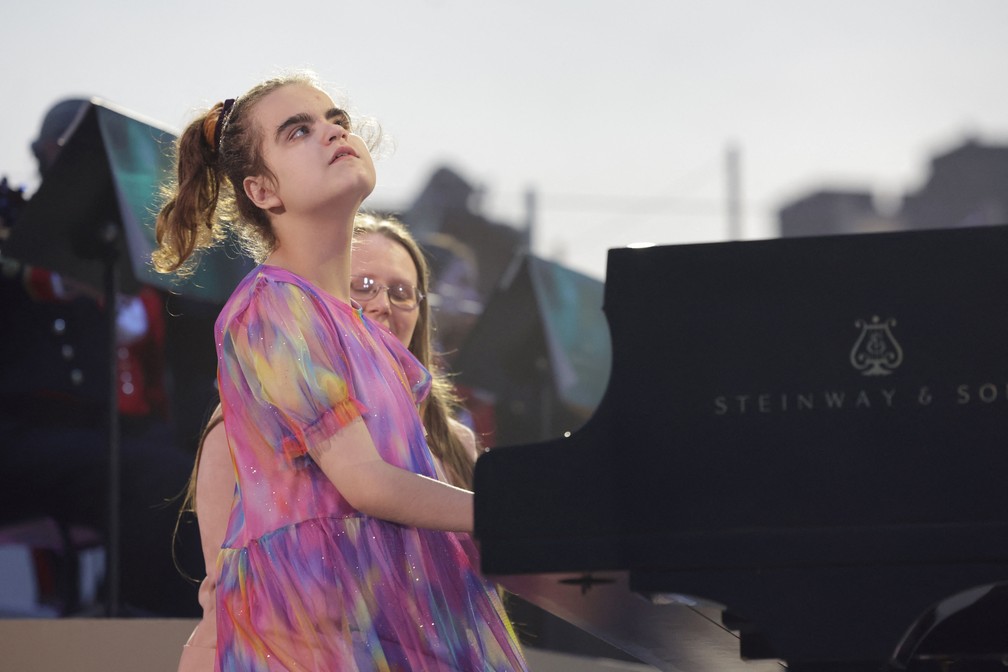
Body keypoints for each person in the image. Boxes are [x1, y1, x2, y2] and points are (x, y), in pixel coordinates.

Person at [154, 70, 526, 670]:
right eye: (299, 130)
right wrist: (520, 512)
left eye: (336, 121)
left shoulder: (362, 334)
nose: (331, 133)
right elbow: (367, 483)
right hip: (309, 635)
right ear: (263, 191)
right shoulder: (273, 306)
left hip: (382, 618)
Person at [175, 214, 483, 669]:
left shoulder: (453, 440)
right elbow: (238, 586)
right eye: (362, 286)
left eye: (401, 293)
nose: (382, 305)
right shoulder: (244, 426)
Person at [0, 98, 200, 616]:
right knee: (158, 474)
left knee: (201, 472)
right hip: (28, 435)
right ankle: (135, 618)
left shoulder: (138, 253)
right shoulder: (15, 230)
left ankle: (179, 618)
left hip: (119, 434)